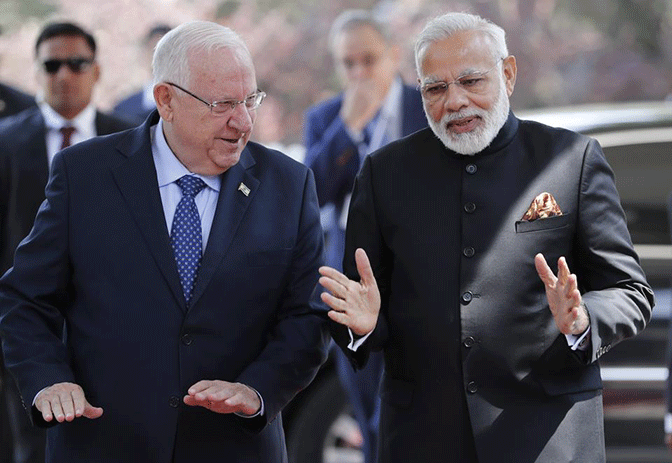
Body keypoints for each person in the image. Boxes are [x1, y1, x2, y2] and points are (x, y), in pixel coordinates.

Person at [318, 12, 654, 463]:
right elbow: (358, 306)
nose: (454, 101)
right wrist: (360, 328)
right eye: (435, 88)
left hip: (547, 436)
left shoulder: (571, 160)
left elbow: (630, 291)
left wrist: (583, 319)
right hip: (422, 438)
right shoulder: (383, 173)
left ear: (508, 74)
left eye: (471, 81)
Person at [0, 20, 328, 463]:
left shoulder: (288, 184)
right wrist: (46, 378)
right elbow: (24, 298)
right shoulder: (85, 174)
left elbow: (306, 316)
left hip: (233, 447)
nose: (243, 120)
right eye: (223, 103)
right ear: (166, 100)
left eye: (250, 100)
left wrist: (258, 389)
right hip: (102, 443)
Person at [0, 21, 133, 463]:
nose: (64, 75)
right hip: (27, 328)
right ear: (36, 73)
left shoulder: (134, 139)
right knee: (33, 450)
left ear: (96, 71)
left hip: (116, 331)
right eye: (52, 64)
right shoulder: (5, 143)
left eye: (77, 63)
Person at [303, 10, 426, 462]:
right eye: (347, 63)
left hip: (421, 285)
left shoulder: (427, 106)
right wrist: (349, 129)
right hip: (353, 292)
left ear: (393, 56)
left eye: (368, 60)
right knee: (370, 416)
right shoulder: (325, 118)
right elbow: (309, 195)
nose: (358, 73)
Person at [113, 23, 172, 124]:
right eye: (154, 50)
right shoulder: (123, 109)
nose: (159, 57)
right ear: (144, 53)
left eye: (166, 50)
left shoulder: (190, 104)